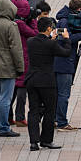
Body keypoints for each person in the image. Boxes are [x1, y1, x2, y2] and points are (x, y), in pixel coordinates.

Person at [25, 17, 71, 151]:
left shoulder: (30, 41)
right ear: (49, 29)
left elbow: (43, 47)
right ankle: (46, 140)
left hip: (32, 80)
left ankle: (33, 142)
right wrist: (66, 39)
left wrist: (51, 39)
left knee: (33, 111)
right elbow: (66, 53)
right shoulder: (51, 44)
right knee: (50, 111)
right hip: (47, 82)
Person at [0, 0, 24, 137]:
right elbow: (16, 49)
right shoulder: (11, 25)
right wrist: (20, 67)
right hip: (8, 67)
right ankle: (3, 127)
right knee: (5, 99)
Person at [54, 0, 81, 131]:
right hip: (64, 63)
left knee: (58, 93)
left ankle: (55, 119)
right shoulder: (64, 21)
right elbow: (63, 39)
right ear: (78, 9)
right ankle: (62, 122)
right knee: (63, 94)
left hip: (62, 62)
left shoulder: (65, 18)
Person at [8, 0, 38, 127]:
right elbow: (35, 33)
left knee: (10, 90)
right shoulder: (20, 24)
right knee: (21, 88)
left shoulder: (11, 22)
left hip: (12, 59)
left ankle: (8, 117)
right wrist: (33, 20)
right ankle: (19, 117)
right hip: (24, 59)